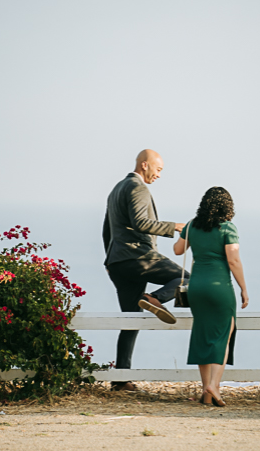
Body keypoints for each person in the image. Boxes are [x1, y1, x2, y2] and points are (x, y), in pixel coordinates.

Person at [103, 149, 189, 391]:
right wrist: (177, 227)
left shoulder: (116, 189)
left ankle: (120, 381)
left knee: (130, 320)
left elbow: (107, 230)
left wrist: (109, 261)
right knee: (188, 278)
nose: (159, 175)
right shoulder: (137, 188)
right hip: (138, 257)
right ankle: (154, 298)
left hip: (118, 262)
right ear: (144, 165)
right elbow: (141, 223)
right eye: (158, 169)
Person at [173, 186, 248, 407]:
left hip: (196, 287)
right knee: (223, 333)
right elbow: (233, 260)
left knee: (203, 334)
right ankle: (214, 385)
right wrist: (243, 288)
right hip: (219, 287)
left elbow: (178, 250)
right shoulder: (228, 229)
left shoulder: (192, 226)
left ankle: (206, 393)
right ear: (227, 206)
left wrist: (185, 232)